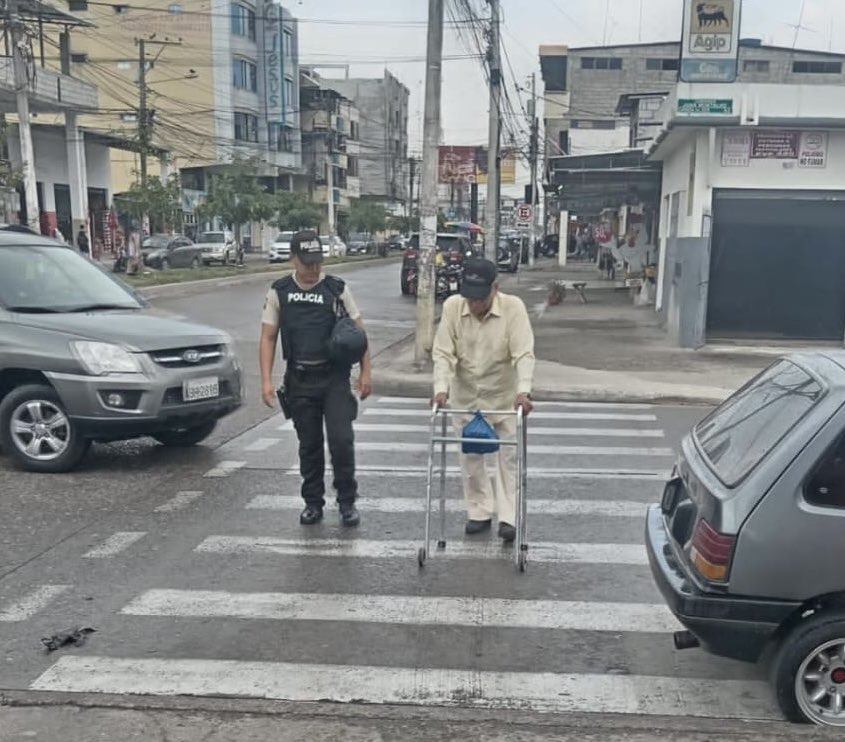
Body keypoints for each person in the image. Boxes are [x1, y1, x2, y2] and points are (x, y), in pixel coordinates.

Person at [259, 230, 372, 527]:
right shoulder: (279, 291)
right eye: (306, 263)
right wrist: (266, 381)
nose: (312, 269)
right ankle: (313, 502)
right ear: (293, 259)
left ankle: (347, 501)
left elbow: (360, 334)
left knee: (341, 441)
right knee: (308, 445)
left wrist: (366, 374)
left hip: (334, 378)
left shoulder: (336, 289)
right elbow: (268, 337)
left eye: (317, 263)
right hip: (300, 380)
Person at [432, 258, 535, 542]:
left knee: (507, 459)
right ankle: (478, 511)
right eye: (470, 297)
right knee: (470, 458)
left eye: (480, 298)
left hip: (503, 396)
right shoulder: (454, 307)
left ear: (495, 289)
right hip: (466, 395)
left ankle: (508, 517)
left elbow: (523, 353)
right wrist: (440, 388)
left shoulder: (513, 308)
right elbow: (443, 352)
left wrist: (523, 391)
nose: (474, 304)